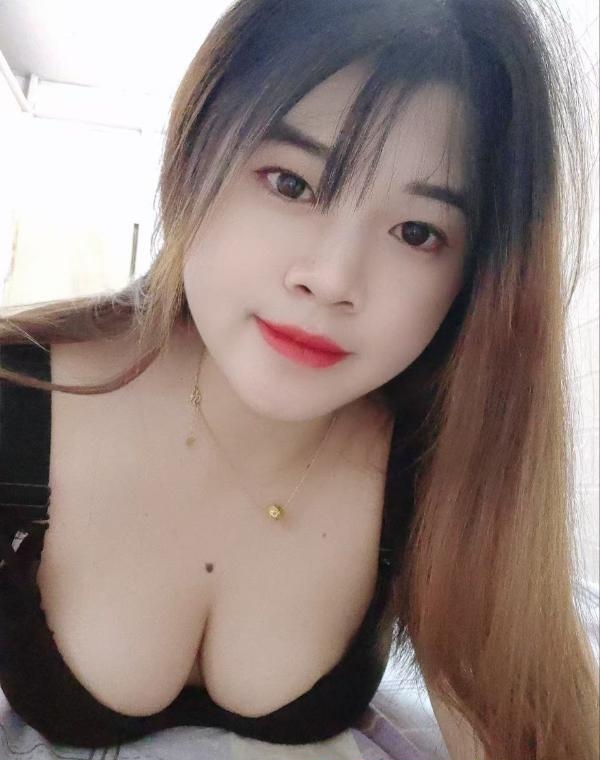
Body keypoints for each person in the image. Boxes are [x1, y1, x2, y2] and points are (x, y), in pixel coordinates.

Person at [0, 0, 597, 756]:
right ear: (192, 157)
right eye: (291, 183)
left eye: (417, 232)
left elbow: (523, 727)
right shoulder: (21, 403)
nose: (332, 278)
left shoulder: (434, 459)